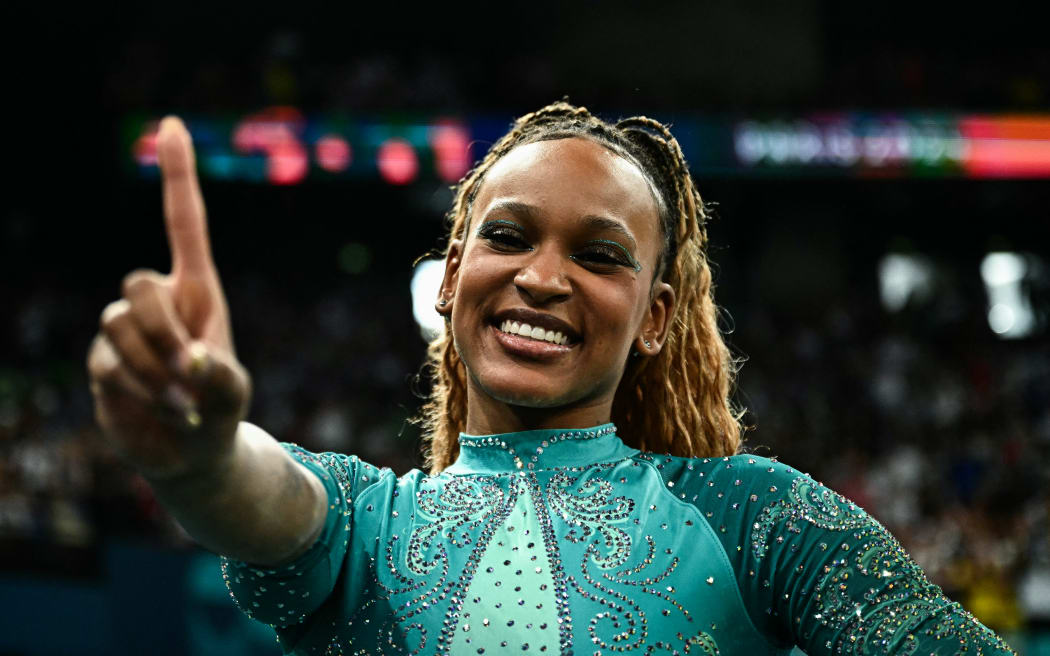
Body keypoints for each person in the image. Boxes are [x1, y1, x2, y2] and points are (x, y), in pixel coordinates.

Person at [87, 103, 1017, 655]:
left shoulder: (754, 519)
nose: (541, 276)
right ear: (451, 275)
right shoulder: (371, 523)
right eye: (508, 235)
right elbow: (265, 496)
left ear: (654, 317)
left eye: (601, 255)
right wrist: (201, 457)